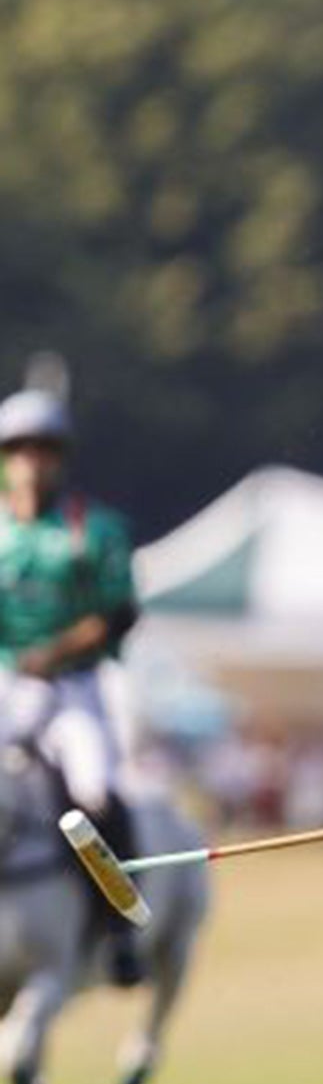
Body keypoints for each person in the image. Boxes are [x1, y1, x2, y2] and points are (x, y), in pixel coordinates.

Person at [0, 388, 146, 984]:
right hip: (7, 683)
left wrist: (50, 654)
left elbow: (117, 614)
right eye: (21, 448)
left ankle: (119, 928)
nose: (34, 460)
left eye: (46, 449)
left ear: (61, 458)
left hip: (74, 689)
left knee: (96, 790)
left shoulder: (95, 529)